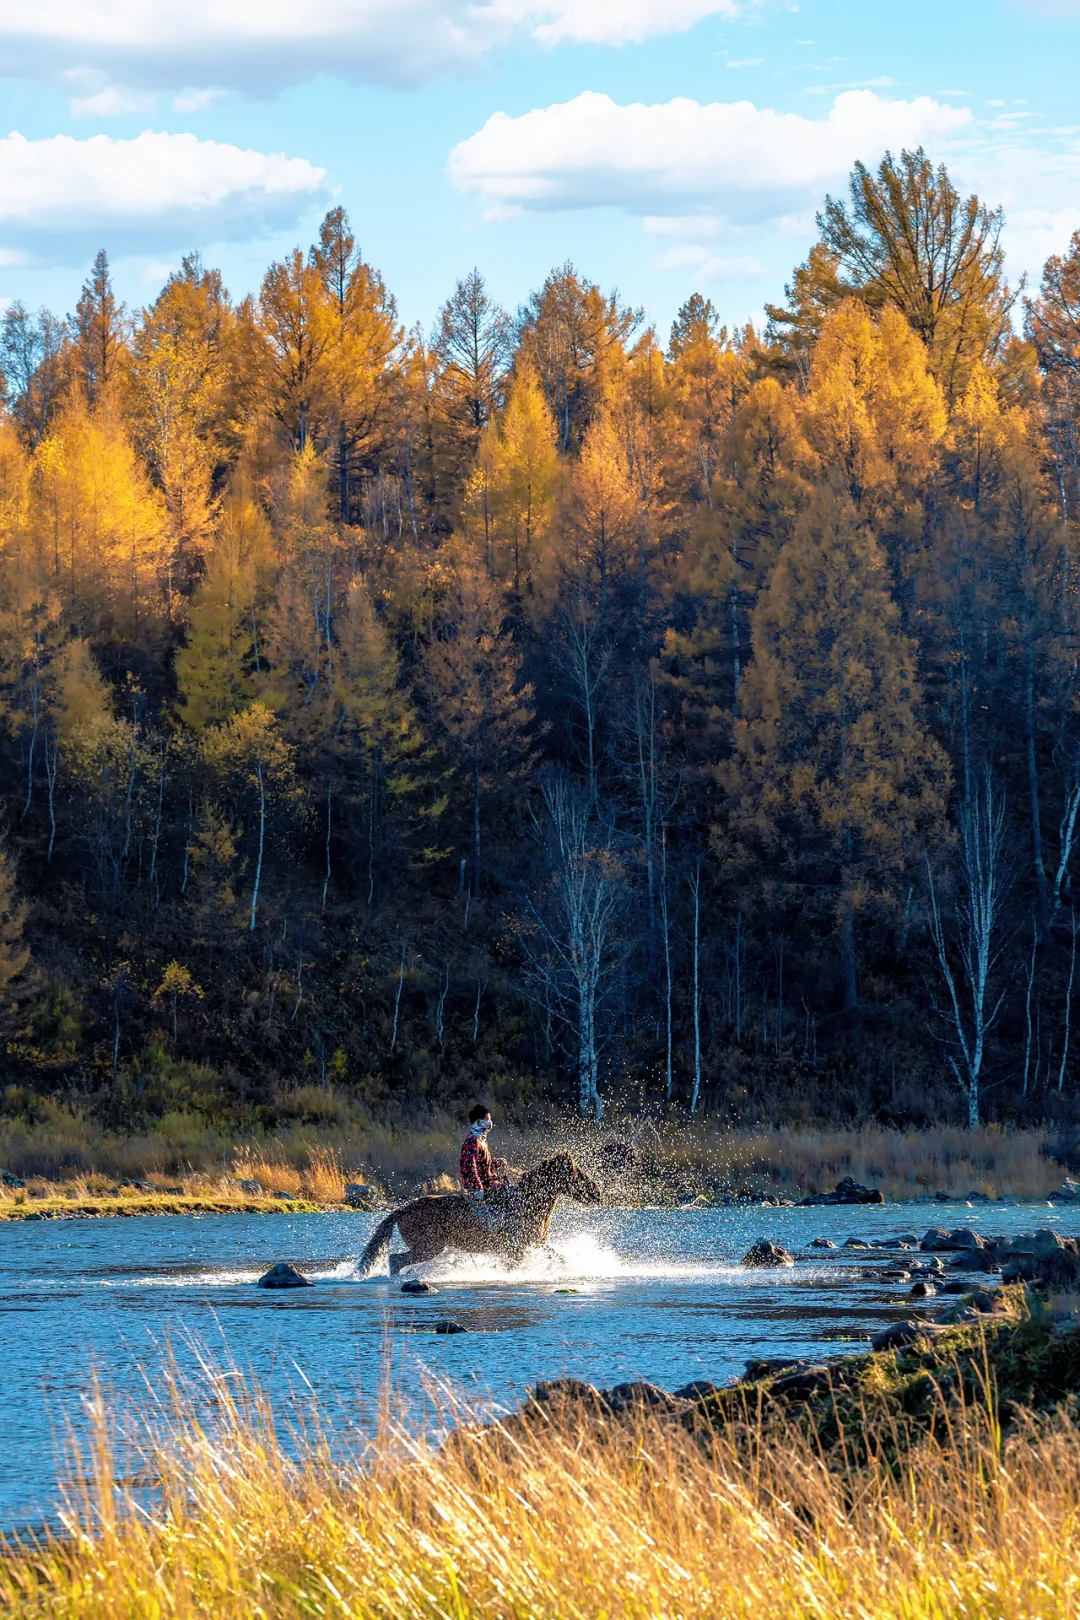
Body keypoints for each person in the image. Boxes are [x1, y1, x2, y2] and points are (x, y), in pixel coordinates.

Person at [459, 1104, 506, 1230]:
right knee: (511, 1197)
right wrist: (477, 1189)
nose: (490, 1123)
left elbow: (482, 1163)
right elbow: (469, 1168)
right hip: (483, 1187)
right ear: (479, 1122)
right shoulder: (472, 1140)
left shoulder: (481, 1139)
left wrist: (495, 1162)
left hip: (490, 1183)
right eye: (487, 1120)